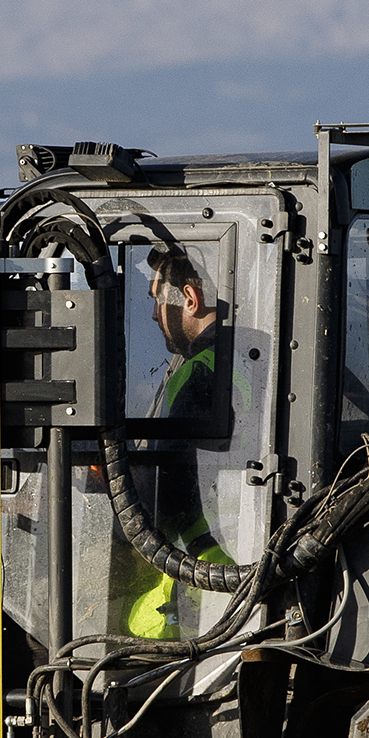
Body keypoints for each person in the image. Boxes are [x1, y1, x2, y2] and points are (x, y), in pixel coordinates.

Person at [124, 242, 233, 640]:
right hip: (232, 550)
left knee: (135, 622)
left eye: (157, 300)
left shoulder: (199, 373)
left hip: (203, 563)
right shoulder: (250, 354)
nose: (153, 314)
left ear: (190, 298)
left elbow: (167, 495)